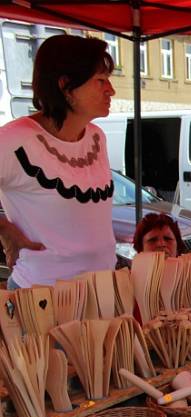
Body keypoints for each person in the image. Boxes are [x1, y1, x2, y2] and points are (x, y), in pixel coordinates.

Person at [0, 35, 116, 288]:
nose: (110, 90)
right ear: (65, 86)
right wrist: (5, 231)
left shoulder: (97, 136)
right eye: (100, 81)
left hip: (102, 292)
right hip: (41, 295)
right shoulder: (14, 140)